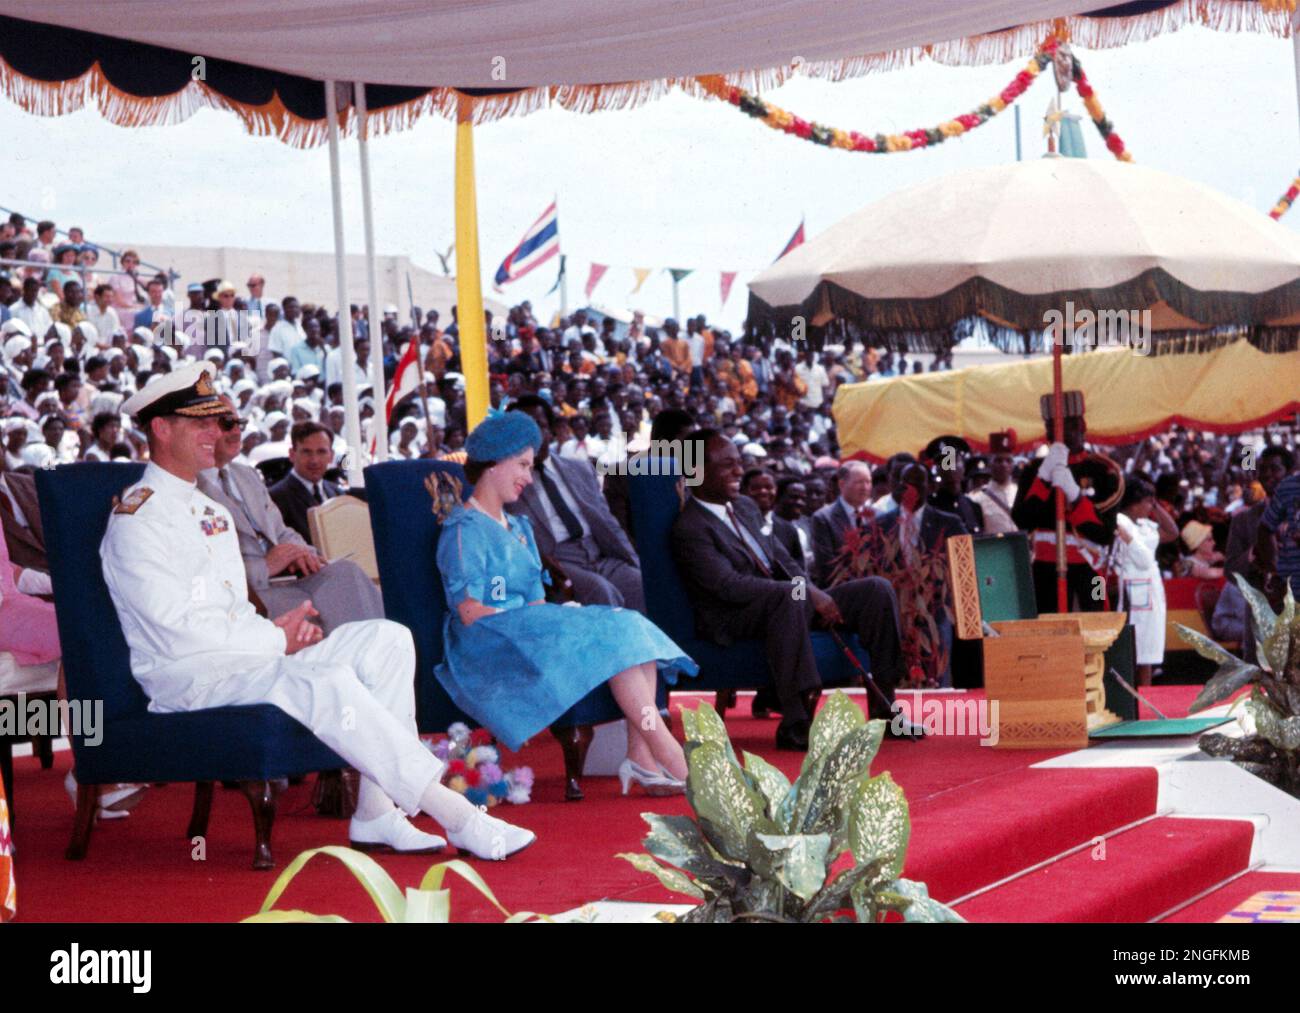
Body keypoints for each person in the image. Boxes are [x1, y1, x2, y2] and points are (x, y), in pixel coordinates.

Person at [102, 362, 533, 858]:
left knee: (388, 639)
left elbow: (227, 610)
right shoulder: (138, 518)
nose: (214, 433)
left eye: (216, 421)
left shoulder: (209, 511)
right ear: (160, 428)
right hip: (189, 678)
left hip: (244, 659)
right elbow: (175, 631)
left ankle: (375, 813)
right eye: (200, 422)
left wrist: (274, 631)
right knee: (326, 680)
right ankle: (458, 815)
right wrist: (273, 639)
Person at [435, 409, 697, 795]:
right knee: (616, 631)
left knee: (631, 624)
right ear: (493, 464)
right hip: (487, 642)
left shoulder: (520, 527)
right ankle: (674, 759)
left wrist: (559, 617)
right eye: (522, 465)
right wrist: (548, 619)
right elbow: (470, 612)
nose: (528, 476)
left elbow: (538, 601)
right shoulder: (464, 530)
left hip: (529, 630)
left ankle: (642, 758)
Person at [671, 429, 922, 749]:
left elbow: (781, 559)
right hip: (734, 617)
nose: (739, 472)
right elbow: (728, 586)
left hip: (783, 601)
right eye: (727, 465)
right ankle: (796, 721)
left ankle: (886, 710)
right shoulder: (690, 527)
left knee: (877, 590)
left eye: (739, 463)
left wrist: (812, 592)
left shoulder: (744, 507)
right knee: (790, 595)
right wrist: (801, 593)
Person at [196, 396, 385, 633]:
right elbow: (203, 569)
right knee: (322, 614)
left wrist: (303, 553)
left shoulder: (246, 476)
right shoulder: (190, 487)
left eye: (239, 424)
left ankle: (387, 658)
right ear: (200, 429)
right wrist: (266, 566)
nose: (235, 432)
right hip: (249, 591)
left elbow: (282, 532)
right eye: (226, 424)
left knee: (347, 573)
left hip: (290, 578)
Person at [505, 395, 645, 610]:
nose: (534, 435)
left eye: (540, 426)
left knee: (639, 582)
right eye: (524, 429)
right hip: (558, 561)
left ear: (551, 430)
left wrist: (632, 559)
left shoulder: (579, 468)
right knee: (602, 594)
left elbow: (607, 521)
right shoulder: (509, 481)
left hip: (598, 552)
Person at [1012, 390, 1123, 613]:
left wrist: (1075, 495)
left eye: (1069, 425)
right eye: (1054, 426)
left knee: (1097, 627)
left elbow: (1105, 533)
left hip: (1090, 570)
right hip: (1045, 569)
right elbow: (1022, 519)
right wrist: (1043, 478)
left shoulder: (1104, 471)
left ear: (1082, 426)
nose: (1061, 433)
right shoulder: (1034, 470)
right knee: (1048, 631)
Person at [1112, 478, 1165, 685]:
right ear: (1134, 503)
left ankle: (1148, 694)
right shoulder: (1120, 521)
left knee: (1148, 649)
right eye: (1148, 502)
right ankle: (1131, 695)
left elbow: (1172, 532)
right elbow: (1144, 559)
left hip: (1150, 588)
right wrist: (1133, 541)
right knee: (1135, 646)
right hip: (1134, 588)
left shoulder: (1142, 524)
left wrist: (1157, 506)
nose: (1151, 506)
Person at [269, 421, 344, 541]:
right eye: (306, 452)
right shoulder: (275, 499)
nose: (314, 460)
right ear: (292, 454)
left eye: (321, 452)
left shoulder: (338, 494)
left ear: (331, 456)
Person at [811, 459, 874, 586]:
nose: (865, 487)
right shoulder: (823, 518)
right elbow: (826, 565)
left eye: (868, 482)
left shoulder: (877, 515)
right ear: (841, 484)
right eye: (859, 482)